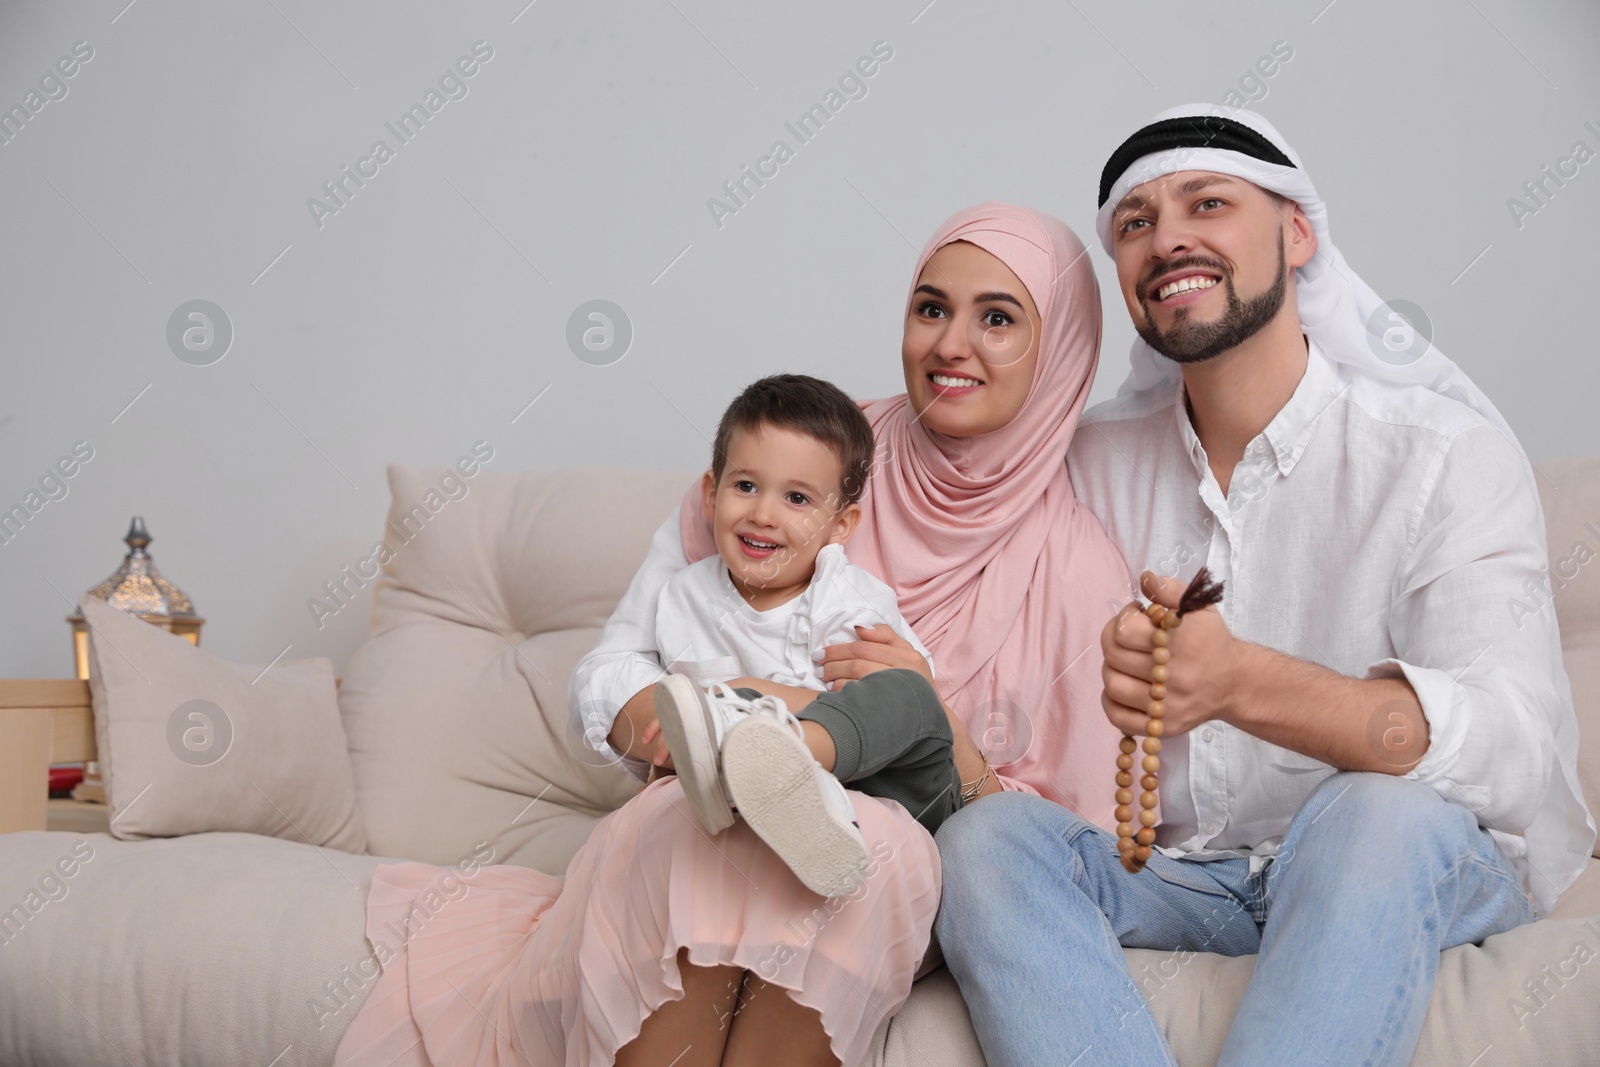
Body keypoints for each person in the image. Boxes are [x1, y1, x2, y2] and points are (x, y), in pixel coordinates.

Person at [334, 202, 1131, 1067]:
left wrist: (937, 722)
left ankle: (794, 755)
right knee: (692, 828)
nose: (950, 344)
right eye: (931, 307)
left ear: (1060, 354)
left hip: (897, 834)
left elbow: (1060, 856)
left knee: (876, 853)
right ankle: (757, 758)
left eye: (999, 318)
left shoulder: (1078, 568)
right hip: (707, 810)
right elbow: (619, 660)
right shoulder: (800, 454)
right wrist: (676, 718)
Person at [933, 104, 1596, 1067]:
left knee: (1374, 809)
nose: (1169, 240)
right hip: (1178, 871)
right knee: (985, 843)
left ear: (1297, 232)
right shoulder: (1082, 464)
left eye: (1208, 202)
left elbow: (1514, 752)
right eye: (1135, 223)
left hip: (1399, 857)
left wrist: (1240, 683)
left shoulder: (1444, 455)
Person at [626, 372, 961, 898]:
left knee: (911, 693)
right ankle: (767, 789)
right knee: (689, 727)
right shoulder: (683, 599)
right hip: (776, 798)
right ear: (711, 493)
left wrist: (751, 700)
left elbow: (905, 715)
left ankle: (785, 752)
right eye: (745, 486)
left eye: (798, 499)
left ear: (840, 525)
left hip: (894, 785)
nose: (763, 514)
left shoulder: (845, 596)